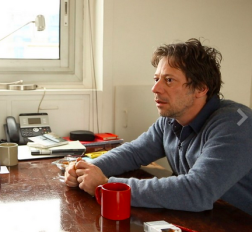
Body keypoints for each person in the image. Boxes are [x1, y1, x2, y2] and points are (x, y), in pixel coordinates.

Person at [65, 38, 252, 216]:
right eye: (157, 79)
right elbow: (133, 152)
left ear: (200, 89)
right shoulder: (171, 119)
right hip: (209, 216)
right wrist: (86, 169)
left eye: (169, 80)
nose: (155, 88)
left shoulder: (236, 124)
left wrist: (107, 186)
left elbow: (197, 191)